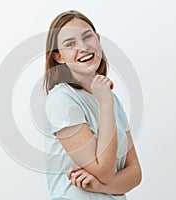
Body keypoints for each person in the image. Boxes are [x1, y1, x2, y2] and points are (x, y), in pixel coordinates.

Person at [43, 10, 142, 200]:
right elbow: (103, 171)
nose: (83, 47)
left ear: (97, 39)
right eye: (70, 44)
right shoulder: (61, 99)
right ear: (58, 57)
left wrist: (100, 185)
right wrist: (105, 103)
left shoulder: (112, 100)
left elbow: (135, 173)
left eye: (87, 37)